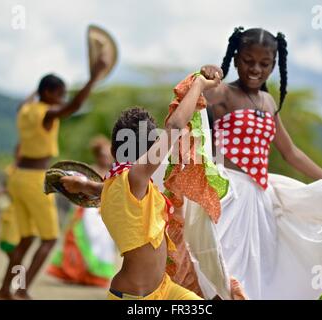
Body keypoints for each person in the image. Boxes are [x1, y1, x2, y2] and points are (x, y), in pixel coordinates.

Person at [198, 26, 322, 299]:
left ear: (273, 66)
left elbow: (291, 153)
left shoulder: (268, 103)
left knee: (258, 276)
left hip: (261, 203)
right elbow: (193, 104)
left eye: (264, 63)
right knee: (223, 269)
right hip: (229, 197)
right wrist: (204, 77)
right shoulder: (223, 93)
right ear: (235, 59)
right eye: (248, 60)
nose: (255, 69)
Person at [60, 74, 246, 300]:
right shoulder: (136, 176)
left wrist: (83, 184)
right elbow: (175, 126)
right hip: (135, 297)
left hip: (165, 289)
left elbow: (103, 191)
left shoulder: (118, 184)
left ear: (113, 151)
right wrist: (197, 85)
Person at [0, 59, 107, 300]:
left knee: (26, 239)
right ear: (48, 93)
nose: (63, 98)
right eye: (60, 93)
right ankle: (22, 291)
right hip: (36, 179)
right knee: (49, 239)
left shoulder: (25, 110)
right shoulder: (46, 114)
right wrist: (94, 78)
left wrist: (38, 89)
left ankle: (5, 290)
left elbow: (27, 101)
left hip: (18, 177)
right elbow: (74, 106)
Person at [47, 135, 116, 287]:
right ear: (98, 155)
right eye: (103, 154)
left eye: (108, 154)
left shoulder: (114, 173)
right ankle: (75, 273)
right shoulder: (90, 170)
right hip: (86, 212)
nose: (106, 157)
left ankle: (93, 276)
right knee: (80, 240)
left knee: (102, 244)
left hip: (104, 212)